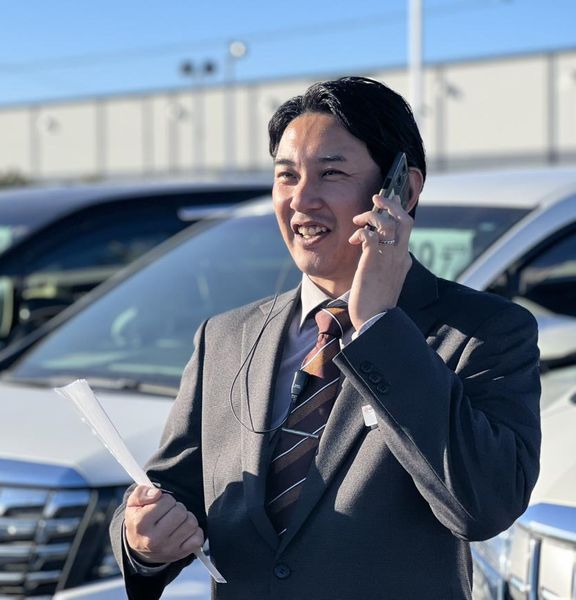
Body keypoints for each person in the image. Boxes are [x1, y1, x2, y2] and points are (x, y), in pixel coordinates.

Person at [109, 76, 541, 599]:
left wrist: (379, 326)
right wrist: (141, 541)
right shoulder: (224, 338)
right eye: (286, 175)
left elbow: (484, 505)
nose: (301, 199)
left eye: (331, 173)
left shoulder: (483, 331)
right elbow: (169, 490)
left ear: (402, 190)